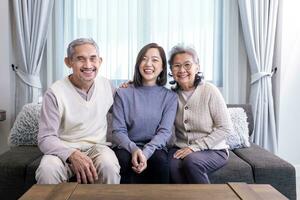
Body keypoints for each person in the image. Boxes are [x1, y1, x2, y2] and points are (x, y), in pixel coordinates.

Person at [36, 38, 120, 184]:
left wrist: (132, 87)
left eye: (93, 59)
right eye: (80, 59)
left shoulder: (108, 86)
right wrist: (71, 154)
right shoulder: (55, 92)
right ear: (68, 62)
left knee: (109, 166)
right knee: (47, 170)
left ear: (99, 61)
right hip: (63, 148)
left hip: (97, 148)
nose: (88, 65)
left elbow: (127, 111)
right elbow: (46, 137)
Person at [112, 43, 177, 183]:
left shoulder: (170, 97)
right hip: (126, 145)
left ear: (163, 67)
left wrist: (145, 153)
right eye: (144, 59)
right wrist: (134, 149)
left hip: (155, 147)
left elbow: (164, 132)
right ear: (138, 64)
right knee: (122, 160)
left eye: (155, 60)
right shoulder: (122, 93)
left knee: (160, 162)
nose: (148, 64)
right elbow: (118, 131)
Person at [168, 44, 233, 183]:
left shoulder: (210, 90)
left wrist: (195, 147)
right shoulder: (171, 95)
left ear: (197, 67)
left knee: (192, 161)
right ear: (171, 70)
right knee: (171, 166)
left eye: (187, 65)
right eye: (176, 66)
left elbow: (226, 128)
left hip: (213, 149)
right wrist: (132, 84)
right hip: (181, 147)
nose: (182, 70)